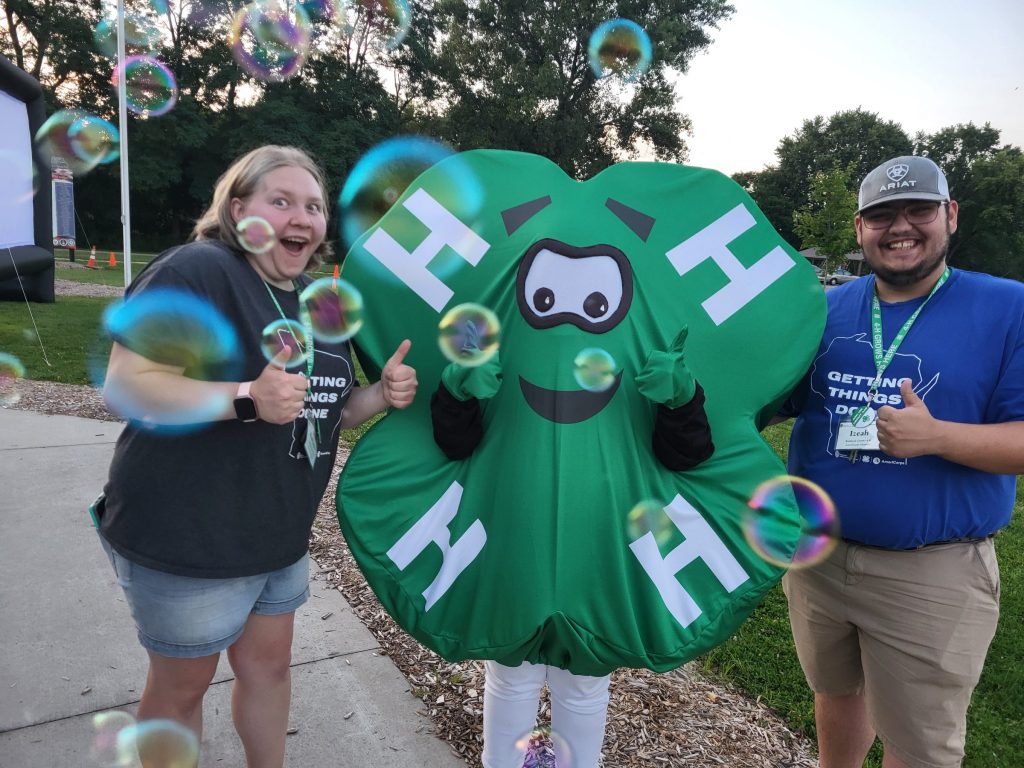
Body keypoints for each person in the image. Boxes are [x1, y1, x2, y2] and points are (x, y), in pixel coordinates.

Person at [94, 145, 417, 768]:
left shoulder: (321, 303)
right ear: (239, 209)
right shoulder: (199, 270)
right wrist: (245, 397)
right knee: (182, 688)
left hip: (276, 537)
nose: (302, 216)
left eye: (314, 205)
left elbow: (324, 410)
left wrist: (377, 394)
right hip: (187, 534)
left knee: (268, 670)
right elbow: (126, 385)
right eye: (282, 200)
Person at [777, 155, 1024, 768]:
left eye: (918, 210)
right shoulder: (823, 309)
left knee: (921, 746)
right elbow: (767, 400)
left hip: (931, 574)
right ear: (860, 228)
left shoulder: (1008, 307)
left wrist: (938, 437)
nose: (901, 227)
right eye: (882, 215)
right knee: (836, 692)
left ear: (950, 215)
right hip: (819, 557)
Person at [430, 334, 715, 768]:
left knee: (584, 676)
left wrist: (682, 399)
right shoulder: (506, 325)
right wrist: (456, 390)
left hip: (601, 537)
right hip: (513, 534)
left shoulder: (644, 330)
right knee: (511, 670)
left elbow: (687, 456)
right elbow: (453, 445)